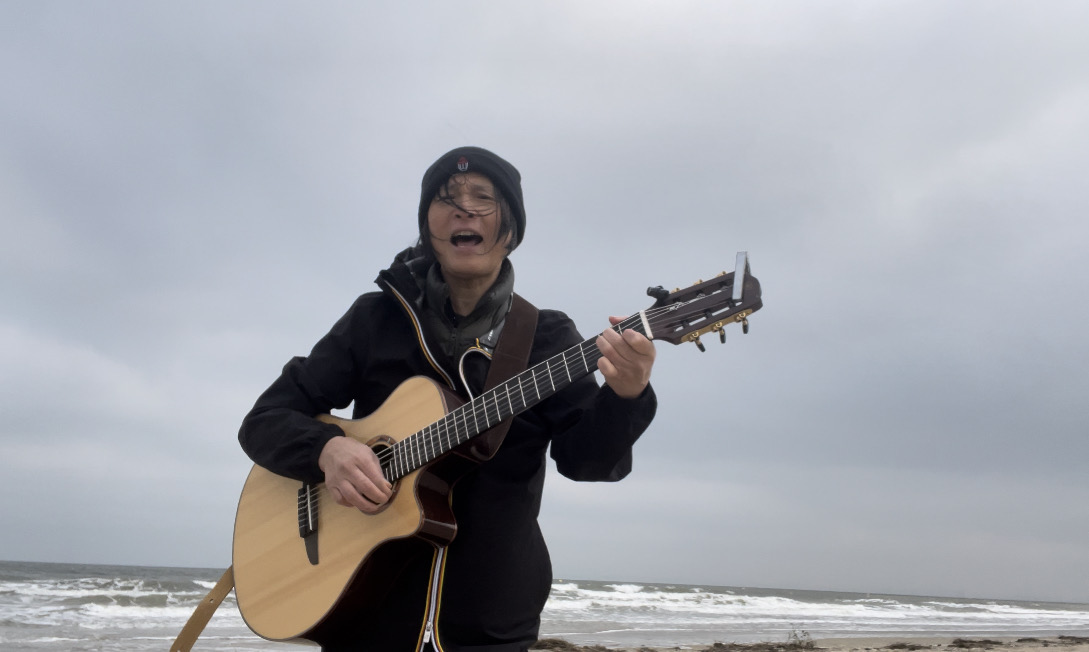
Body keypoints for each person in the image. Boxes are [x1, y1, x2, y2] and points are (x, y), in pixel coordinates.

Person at [238, 146, 658, 652]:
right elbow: (265, 419)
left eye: (484, 198)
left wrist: (626, 394)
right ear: (428, 227)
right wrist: (326, 450)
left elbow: (588, 462)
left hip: (489, 623)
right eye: (447, 199)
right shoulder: (375, 321)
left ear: (510, 230)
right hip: (368, 615)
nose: (465, 208)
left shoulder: (546, 337)